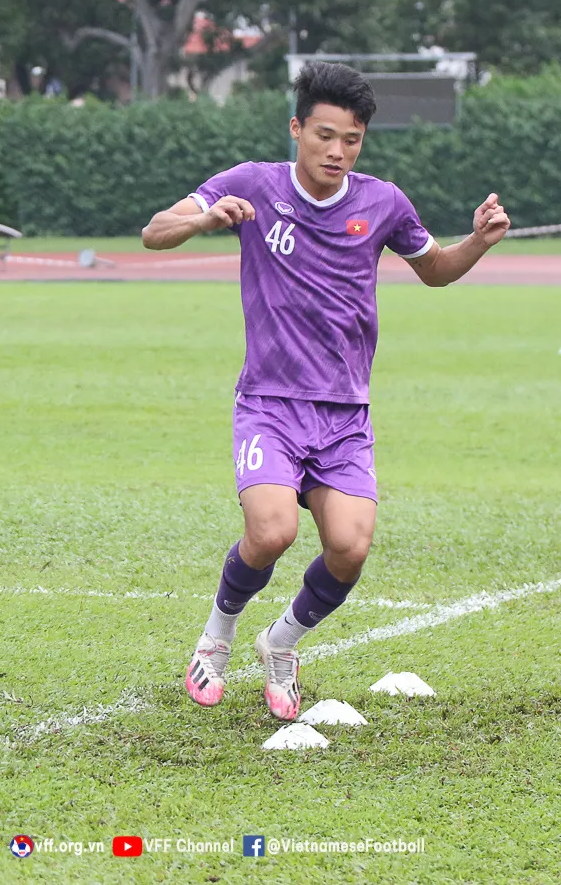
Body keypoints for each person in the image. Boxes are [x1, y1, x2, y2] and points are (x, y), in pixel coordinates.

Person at [142, 61, 510, 721]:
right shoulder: (252, 184)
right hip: (271, 406)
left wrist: (477, 242)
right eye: (325, 135)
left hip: (344, 415)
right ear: (296, 128)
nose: (338, 151)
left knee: (350, 546)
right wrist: (199, 222)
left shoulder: (384, 203)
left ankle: (280, 644)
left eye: (353, 139)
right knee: (273, 530)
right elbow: (155, 229)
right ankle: (216, 636)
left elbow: (435, 272)